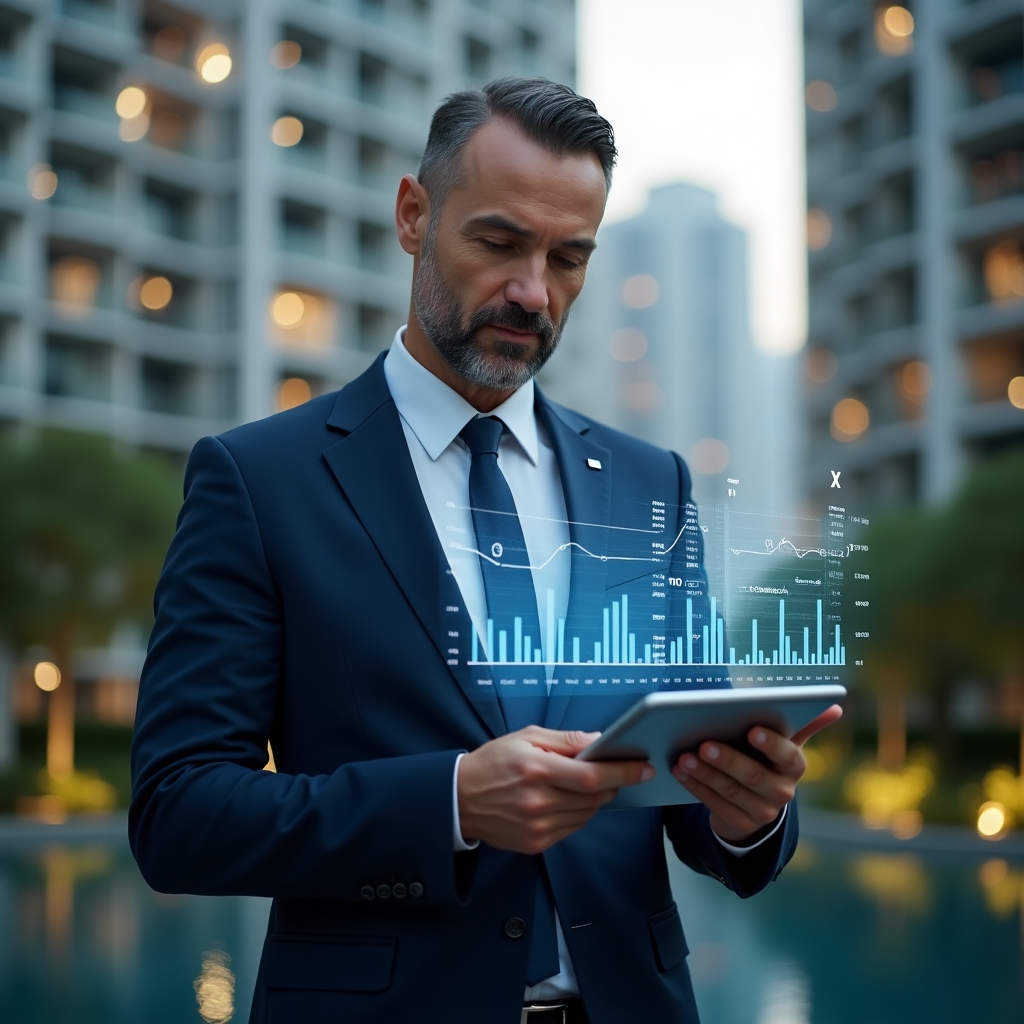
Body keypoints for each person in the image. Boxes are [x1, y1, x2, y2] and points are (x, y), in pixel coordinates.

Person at [130, 78, 838, 1024]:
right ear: (413, 216)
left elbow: (696, 805)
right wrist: (452, 803)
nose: (533, 292)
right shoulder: (259, 480)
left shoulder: (652, 485)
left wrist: (748, 815)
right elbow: (177, 814)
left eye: (568, 258)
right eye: (500, 243)